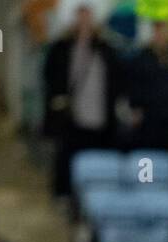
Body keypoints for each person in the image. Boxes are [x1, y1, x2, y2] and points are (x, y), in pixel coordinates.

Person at [42, 5, 120, 196]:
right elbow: (51, 78)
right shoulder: (61, 49)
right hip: (71, 120)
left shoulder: (105, 50)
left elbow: (117, 81)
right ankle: (66, 196)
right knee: (68, 161)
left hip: (100, 120)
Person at [122, 20, 168, 151]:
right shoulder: (141, 60)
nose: (164, 37)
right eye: (160, 33)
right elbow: (134, 89)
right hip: (150, 124)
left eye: (167, 33)